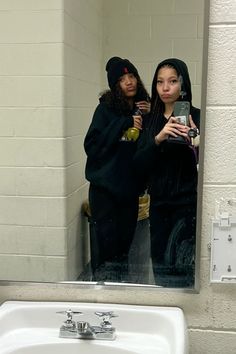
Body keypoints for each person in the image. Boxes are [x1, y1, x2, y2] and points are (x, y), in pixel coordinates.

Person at [134, 58, 200, 287]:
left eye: (172, 81)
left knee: (183, 265)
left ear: (183, 84)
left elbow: (211, 163)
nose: (165, 88)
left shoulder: (197, 117)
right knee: (160, 263)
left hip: (187, 204)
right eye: (160, 82)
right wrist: (159, 138)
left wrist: (195, 139)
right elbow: (139, 164)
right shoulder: (149, 120)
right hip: (159, 204)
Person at [84, 56, 150, 281]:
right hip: (105, 193)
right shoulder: (105, 110)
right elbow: (92, 147)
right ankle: (101, 298)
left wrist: (151, 116)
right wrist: (124, 123)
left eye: (132, 76)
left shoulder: (144, 111)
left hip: (128, 194)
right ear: (115, 86)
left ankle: (120, 296)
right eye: (122, 79)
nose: (129, 81)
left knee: (124, 250)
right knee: (106, 254)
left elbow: (146, 149)